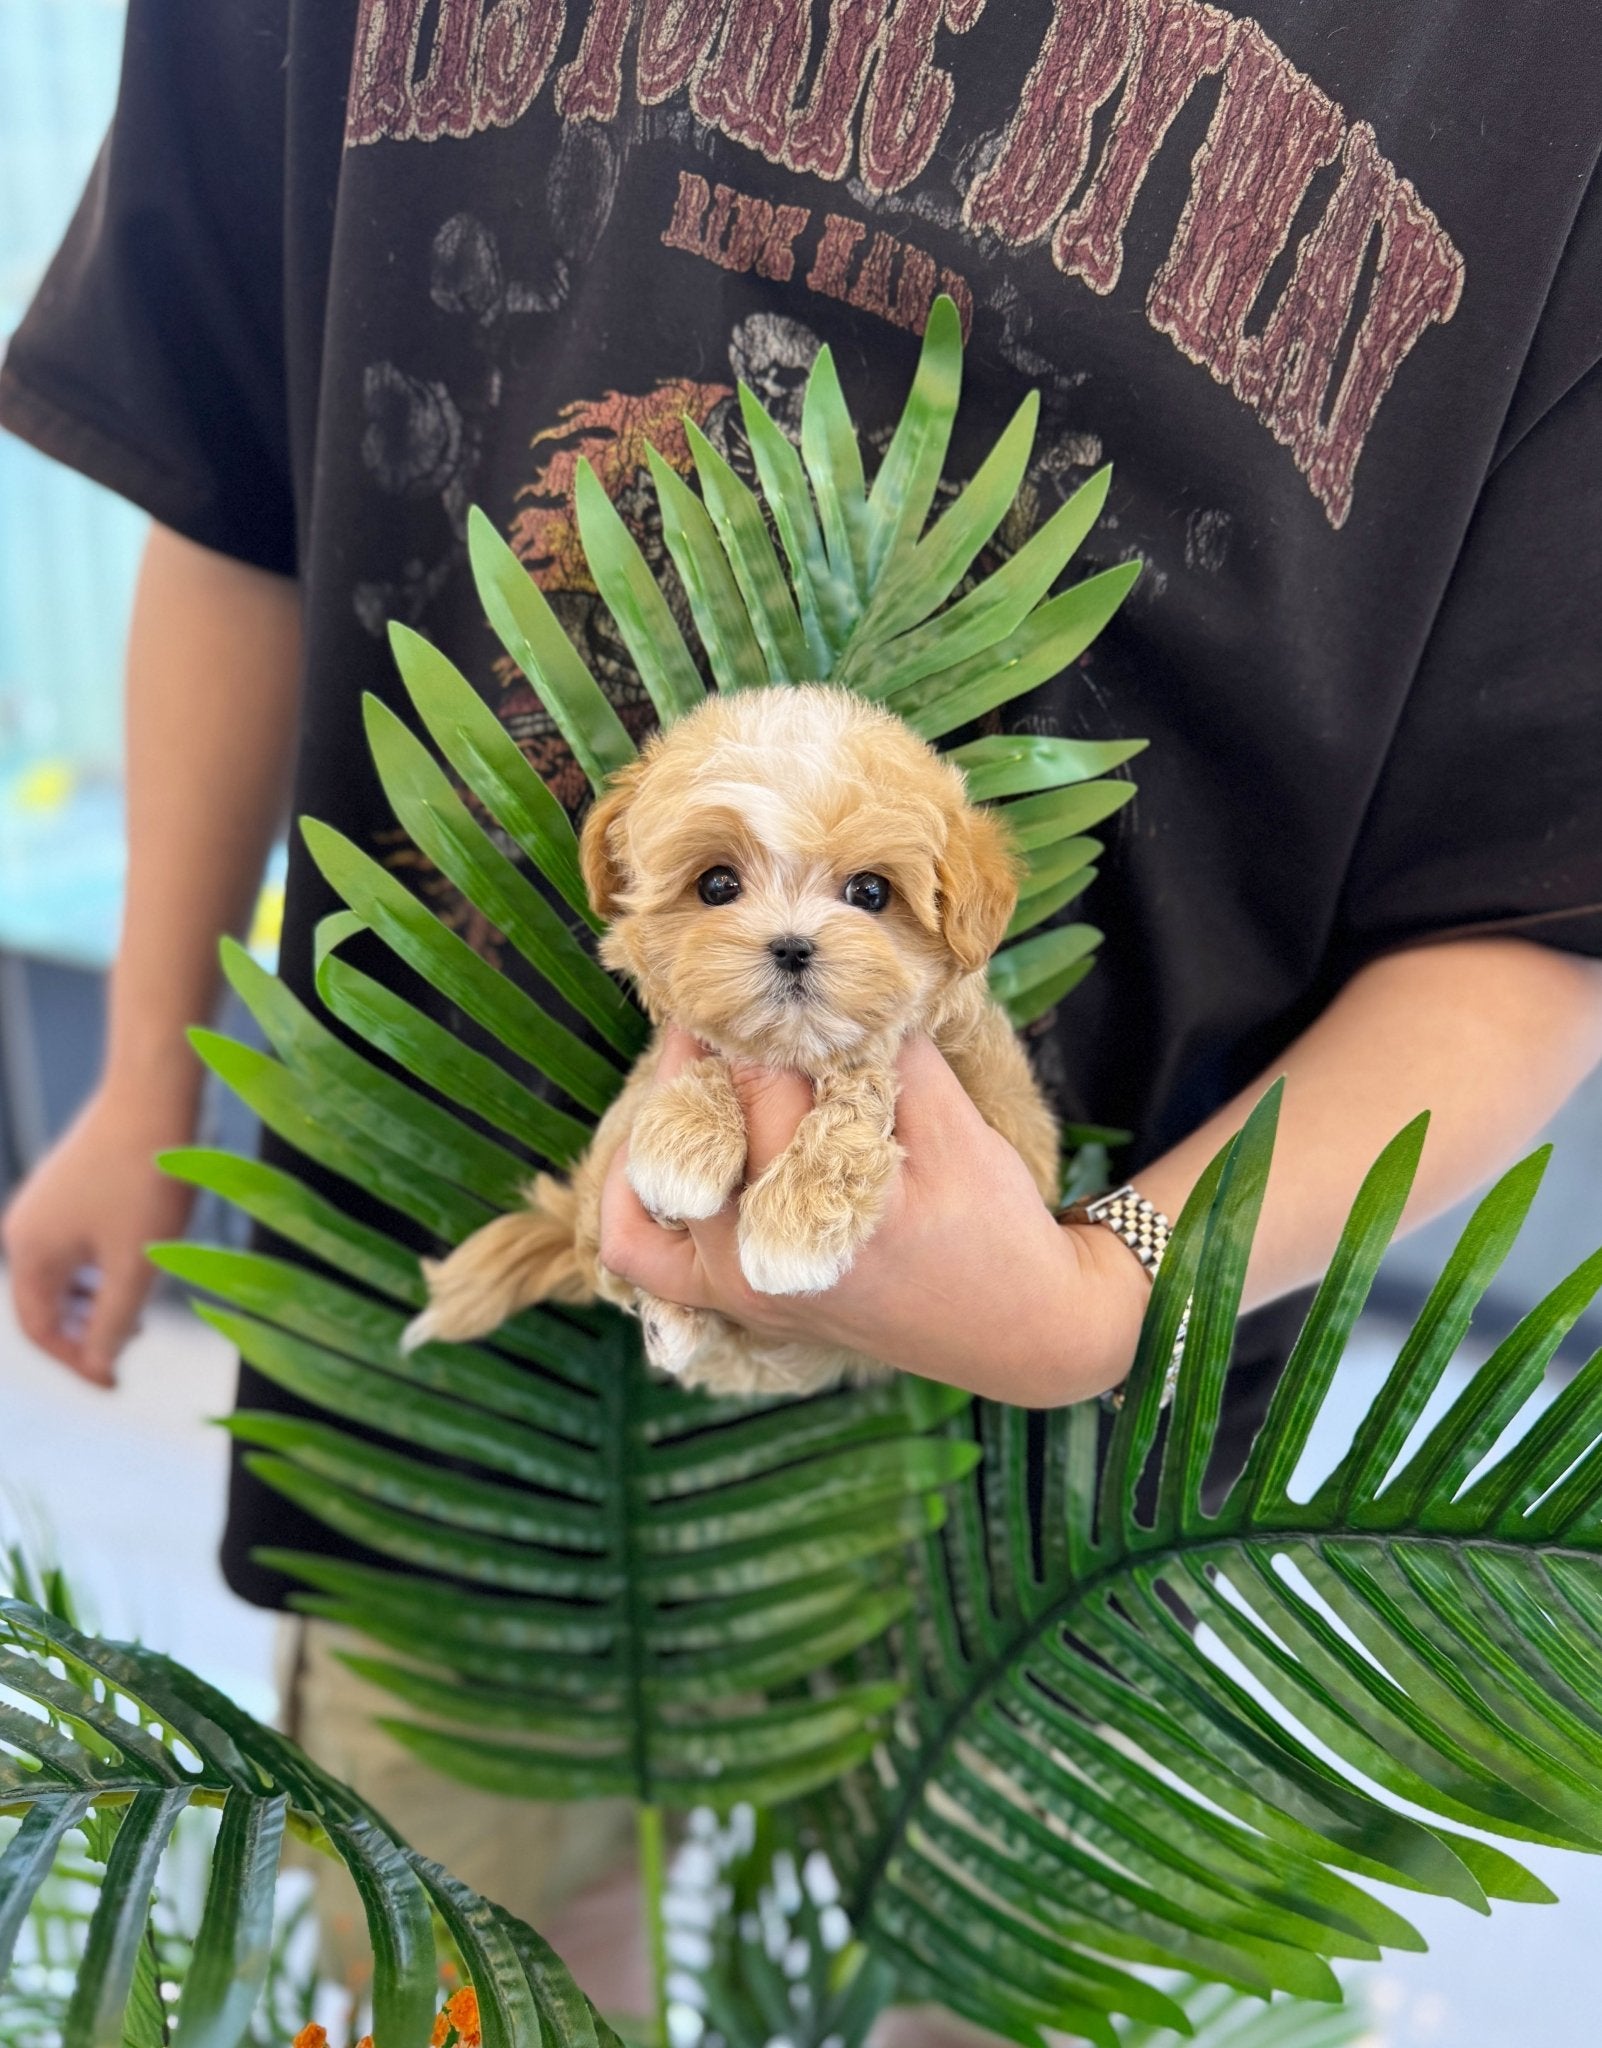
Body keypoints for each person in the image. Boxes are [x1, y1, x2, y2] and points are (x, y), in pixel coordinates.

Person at [5, 0, 1602, 2020]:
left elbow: (1535, 893)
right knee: (468, 1951)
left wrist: (1098, 1287)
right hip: (464, 1425)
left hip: (1067, 1528)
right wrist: (149, 1054)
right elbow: (230, 449)